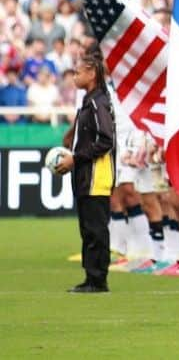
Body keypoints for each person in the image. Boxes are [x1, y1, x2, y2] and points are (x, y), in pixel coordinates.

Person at [55, 43, 116, 293]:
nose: (74, 76)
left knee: (95, 230)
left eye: (78, 72)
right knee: (88, 229)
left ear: (92, 73)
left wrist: (75, 158)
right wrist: (73, 134)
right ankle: (91, 278)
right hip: (86, 175)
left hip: (96, 175)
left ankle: (98, 279)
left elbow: (105, 139)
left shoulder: (98, 102)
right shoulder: (90, 100)